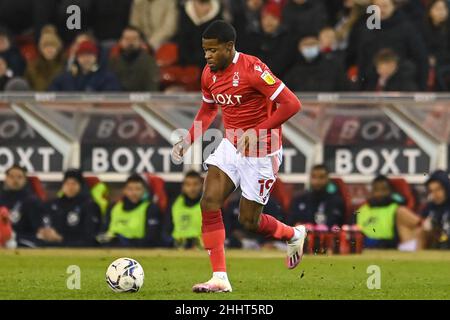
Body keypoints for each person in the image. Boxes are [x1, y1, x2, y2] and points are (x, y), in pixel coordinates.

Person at [172, 20, 306, 293]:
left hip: (262, 152)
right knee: (209, 201)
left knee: (249, 222)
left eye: (212, 50)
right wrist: (189, 138)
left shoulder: (253, 69)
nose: (207, 56)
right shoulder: (209, 74)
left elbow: (292, 104)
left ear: (229, 47)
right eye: (204, 50)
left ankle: (294, 234)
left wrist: (257, 131)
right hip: (231, 145)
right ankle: (219, 277)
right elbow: (208, 110)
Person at [357, 0, 428, 90]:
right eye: (377, 6)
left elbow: (420, 59)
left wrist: (421, 90)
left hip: (403, 85)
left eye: (385, 6)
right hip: (372, 85)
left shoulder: (407, 28)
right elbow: (362, 60)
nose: (381, 10)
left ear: (394, 6)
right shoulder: (367, 29)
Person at [356, 175, 424, 251]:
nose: (379, 193)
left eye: (383, 189)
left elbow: (420, 225)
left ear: (390, 191)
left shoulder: (397, 209)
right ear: (371, 192)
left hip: (390, 250)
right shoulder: (361, 210)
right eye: (376, 190)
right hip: (363, 250)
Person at [42, 169, 101, 247]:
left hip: (79, 248)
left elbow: (89, 236)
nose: (70, 187)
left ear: (80, 186)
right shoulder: (53, 204)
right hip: (51, 246)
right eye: (67, 183)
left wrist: (61, 238)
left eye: (74, 183)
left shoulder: (89, 205)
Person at [100, 174, 162, 247]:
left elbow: (152, 238)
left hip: (138, 251)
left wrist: (124, 241)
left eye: (138, 189)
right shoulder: (113, 207)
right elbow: (103, 232)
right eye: (130, 189)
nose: (134, 193)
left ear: (144, 191)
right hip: (110, 251)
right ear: (124, 190)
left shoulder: (150, 209)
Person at [240, 2, 296, 78]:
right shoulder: (252, 37)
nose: (268, 22)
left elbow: (281, 64)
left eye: (273, 18)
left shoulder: (286, 39)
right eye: (265, 18)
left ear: (279, 20)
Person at [49, 40, 121, 92]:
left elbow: (111, 98)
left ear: (96, 57)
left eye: (89, 55)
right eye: (82, 56)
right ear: (77, 58)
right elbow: (52, 92)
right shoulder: (67, 77)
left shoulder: (107, 78)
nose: (86, 59)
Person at [0, 165, 45, 247]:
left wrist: (13, 236)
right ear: (6, 179)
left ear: (25, 180)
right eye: (11, 176)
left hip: (23, 240)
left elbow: (37, 230)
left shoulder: (32, 201)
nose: (15, 180)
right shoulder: (1, 199)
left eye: (19, 177)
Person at [283, 35, 349, 91]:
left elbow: (345, 89)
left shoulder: (333, 67)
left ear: (319, 45)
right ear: (300, 47)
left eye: (312, 44)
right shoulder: (293, 72)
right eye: (306, 44)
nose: (309, 47)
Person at [109, 26, 159, 91]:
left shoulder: (149, 61)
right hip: (119, 99)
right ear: (120, 41)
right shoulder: (113, 61)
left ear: (140, 42)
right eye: (127, 39)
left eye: (134, 39)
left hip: (142, 99)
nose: (130, 42)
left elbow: (152, 88)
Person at [176, 0, 223, 69]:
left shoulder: (218, 13)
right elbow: (182, 40)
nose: (203, 8)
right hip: (186, 63)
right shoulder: (185, 10)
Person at [25, 25, 65, 91]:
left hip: (58, 101)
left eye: (52, 46)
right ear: (41, 49)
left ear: (57, 48)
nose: (49, 50)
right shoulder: (32, 67)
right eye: (45, 47)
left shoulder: (64, 66)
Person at [170, 170, 203, 249]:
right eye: (188, 185)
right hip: (177, 249)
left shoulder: (210, 204)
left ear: (202, 185)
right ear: (183, 187)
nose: (192, 188)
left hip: (202, 250)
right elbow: (166, 230)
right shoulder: (174, 204)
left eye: (195, 184)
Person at [422, 170, 450, 249]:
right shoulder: (430, 207)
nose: (435, 194)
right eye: (431, 191)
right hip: (436, 246)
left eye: (438, 189)